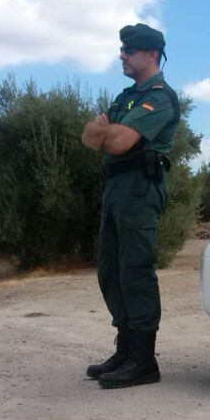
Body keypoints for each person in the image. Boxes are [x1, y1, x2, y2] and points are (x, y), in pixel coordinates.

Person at [80, 23, 179, 388]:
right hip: (116, 187)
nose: (121, 55)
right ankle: (124, 349)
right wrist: (106, 133)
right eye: (122, 49)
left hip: (140, 187)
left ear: (150, 54)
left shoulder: (160, 96)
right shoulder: (126, 98)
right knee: (110, 269)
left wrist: (108, 132)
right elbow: (88, 136)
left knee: (135, 270)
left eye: (129, 50)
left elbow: (116, 142)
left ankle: (143, 360)